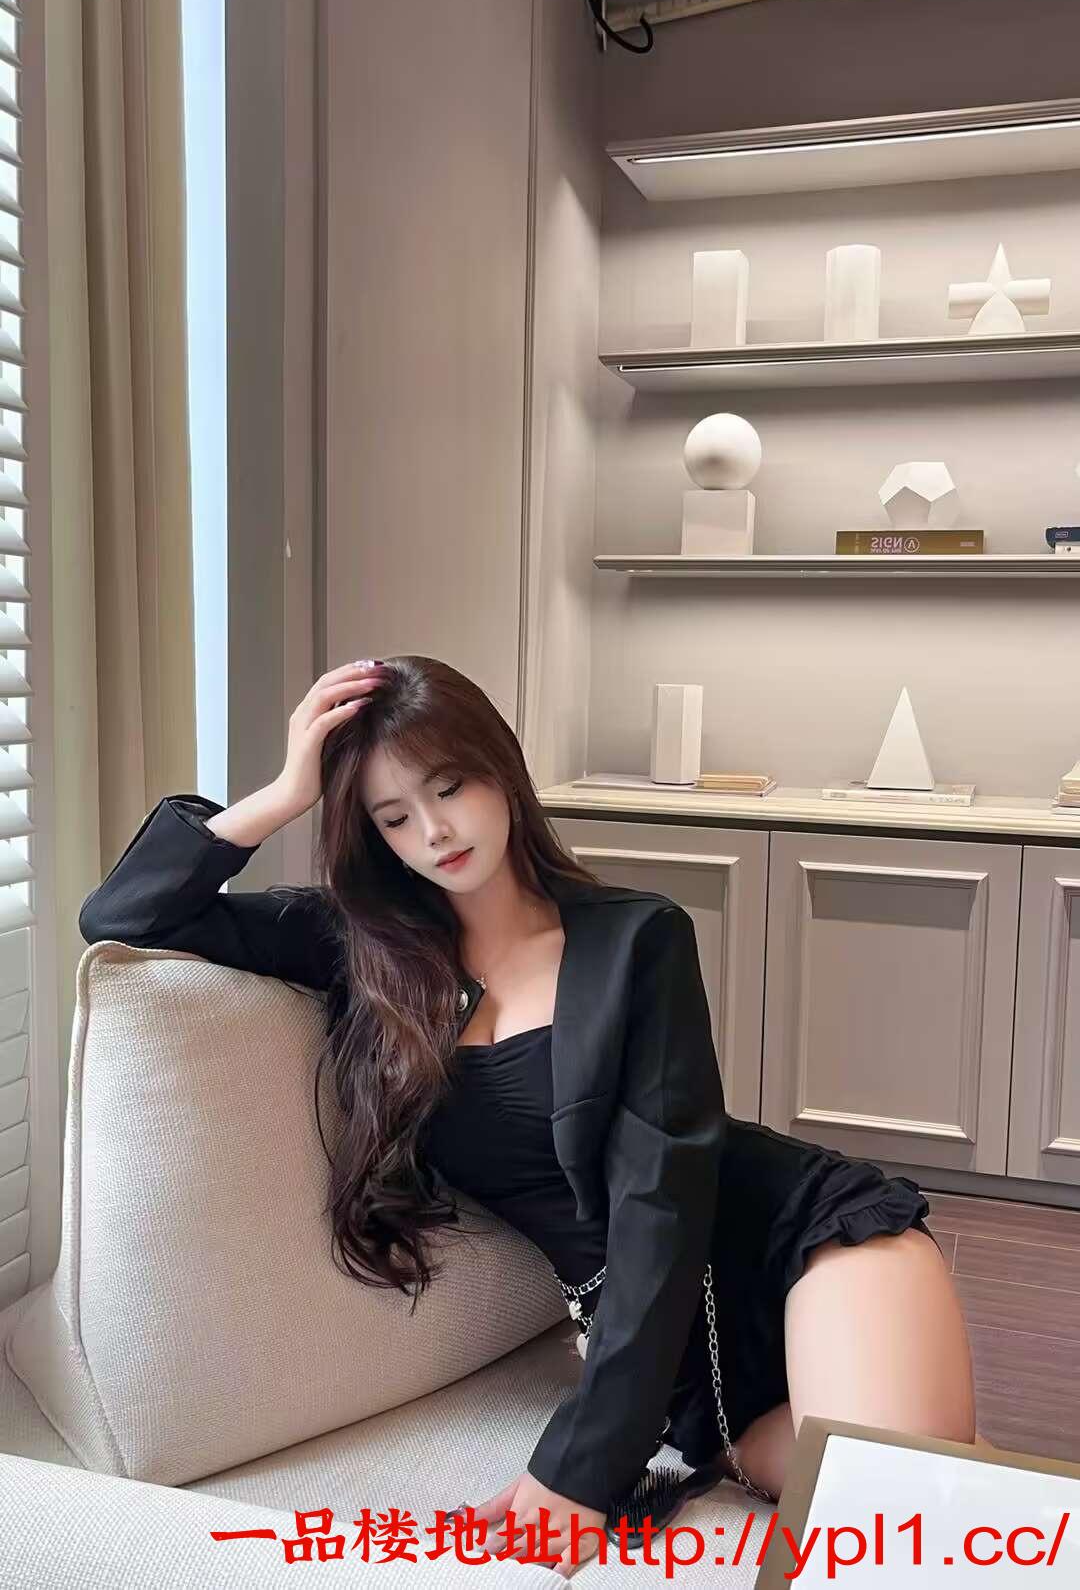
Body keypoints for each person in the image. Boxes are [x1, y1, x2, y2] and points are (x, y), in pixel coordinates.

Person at [80, 653, 979, 1579]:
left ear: (500, 770)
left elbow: (659, 1208)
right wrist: (283, 793)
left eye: (449, 787)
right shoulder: (359, 949)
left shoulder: (638, 938)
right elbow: (126, 912)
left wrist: (579, 1468)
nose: (435, 830)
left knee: (891, 1517)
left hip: (804, 1245)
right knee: (931, 1500)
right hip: (690, 1363)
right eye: (394, 816)